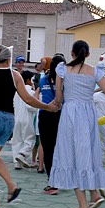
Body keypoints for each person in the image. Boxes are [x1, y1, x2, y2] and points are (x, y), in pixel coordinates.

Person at [49, 40, 105, 208]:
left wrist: (53, 105)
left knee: (72, 156)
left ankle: (83, 207)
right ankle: (94, 194)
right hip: (88, 114)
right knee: (86, 154)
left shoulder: (63, 69)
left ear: (72, 53)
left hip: (71, 114)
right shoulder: (95, 71)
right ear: (87, 54)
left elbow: (58, 97)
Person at [0, 44, 56, 208]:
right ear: (9, 59)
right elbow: (28, 99)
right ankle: (11, 185)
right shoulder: (15, 75)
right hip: (8, 120)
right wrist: (47, 106)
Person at [39, 54, 65, 194]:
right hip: (62, 115)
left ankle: (52, 183)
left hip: (46, 114)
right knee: (61, 150)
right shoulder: (66, 81)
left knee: (49, 149)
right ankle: (63, 180)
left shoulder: (44, 80)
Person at [11, 69, 38, 169]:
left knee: (17, 140)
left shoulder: (17, 92)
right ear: (28, 80)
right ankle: (22, 154)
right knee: (30, 140)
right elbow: (31, 107)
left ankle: (16, 162)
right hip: (27, 119)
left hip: (17, 118)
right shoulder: (31, 92)